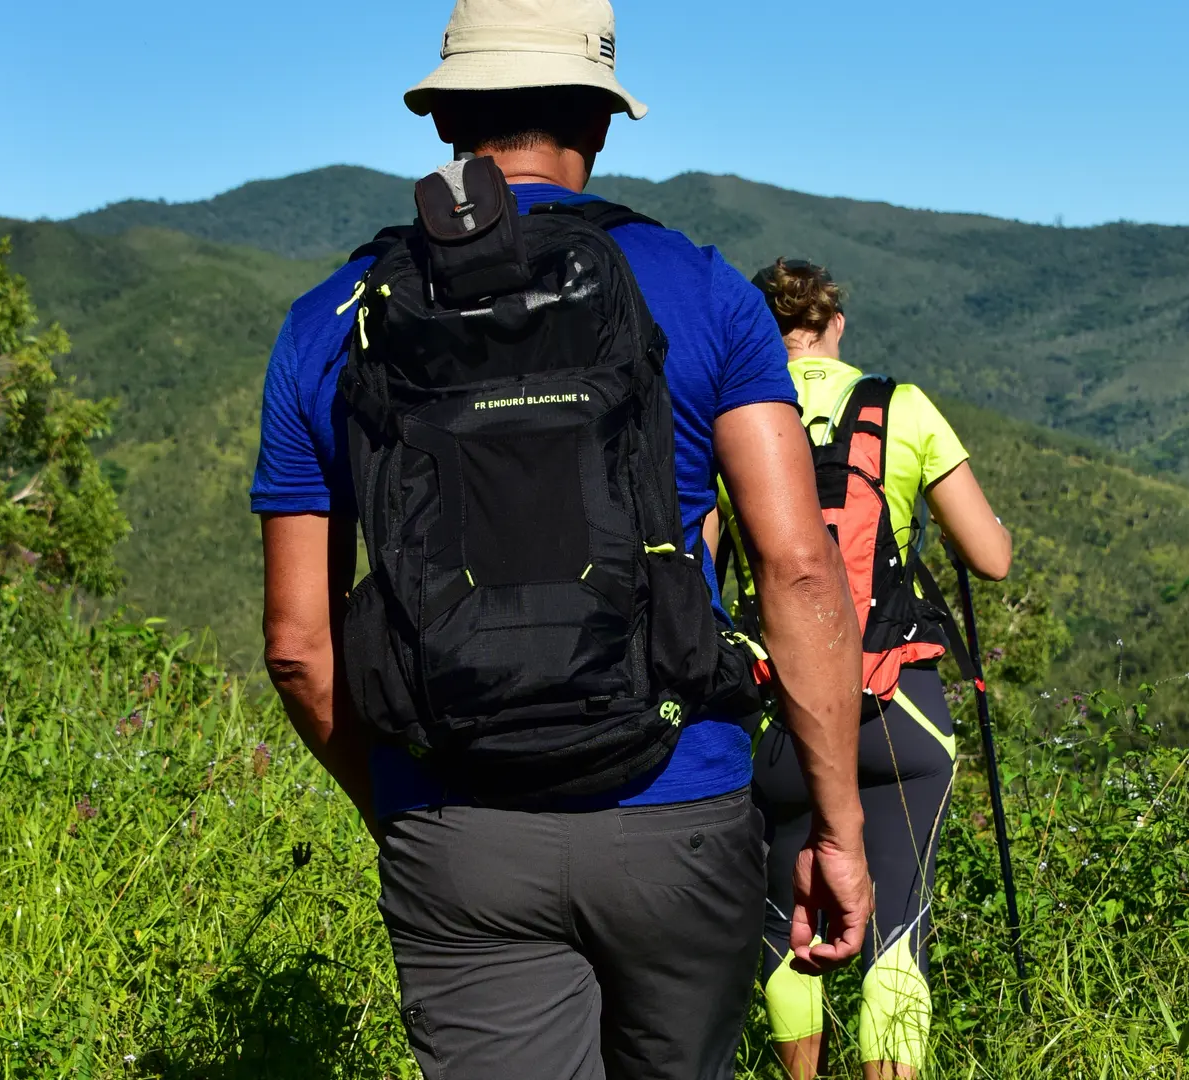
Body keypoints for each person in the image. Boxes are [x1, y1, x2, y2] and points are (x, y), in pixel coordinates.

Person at [250, 4, 873, 1078]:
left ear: (443, 115)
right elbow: (799, 567)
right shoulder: (706, 289)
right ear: (603, 120)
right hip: (681, 807)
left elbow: (300, 647)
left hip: (457, 821)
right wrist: (839, 827)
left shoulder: (330, 318)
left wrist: (403, 804)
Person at [716, 259, 1012, 1079]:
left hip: (779, 715)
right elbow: (991, 559)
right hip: (902, 715)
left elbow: (701, 570)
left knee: (786, 925)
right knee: (899, 929)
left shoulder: (730, 415)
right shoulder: (902, 407)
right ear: (836, 325)